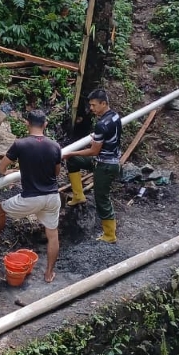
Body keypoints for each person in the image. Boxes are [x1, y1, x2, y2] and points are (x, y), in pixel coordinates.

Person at [0, 110, 63, 283]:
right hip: (53, 197)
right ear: (45, 124)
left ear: (27, 124)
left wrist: (10, 172)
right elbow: (56, 172)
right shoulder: (55, 146)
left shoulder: (20, 144)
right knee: (53, 235)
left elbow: (1, 168)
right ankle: (48, 273)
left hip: (31, 198)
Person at [63, 89, 122, 243]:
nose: (91, 108)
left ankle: (109, 235)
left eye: (94, 105)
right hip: (106, 160)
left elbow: (93, 151)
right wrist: (95, 139)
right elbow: (109, 138)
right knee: (73, 161)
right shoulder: (115, 116)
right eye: (90, 105)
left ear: (104, 103)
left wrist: (70, 153)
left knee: (101, 198)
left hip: (105, 166)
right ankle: (78, 196)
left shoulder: (101, 125)